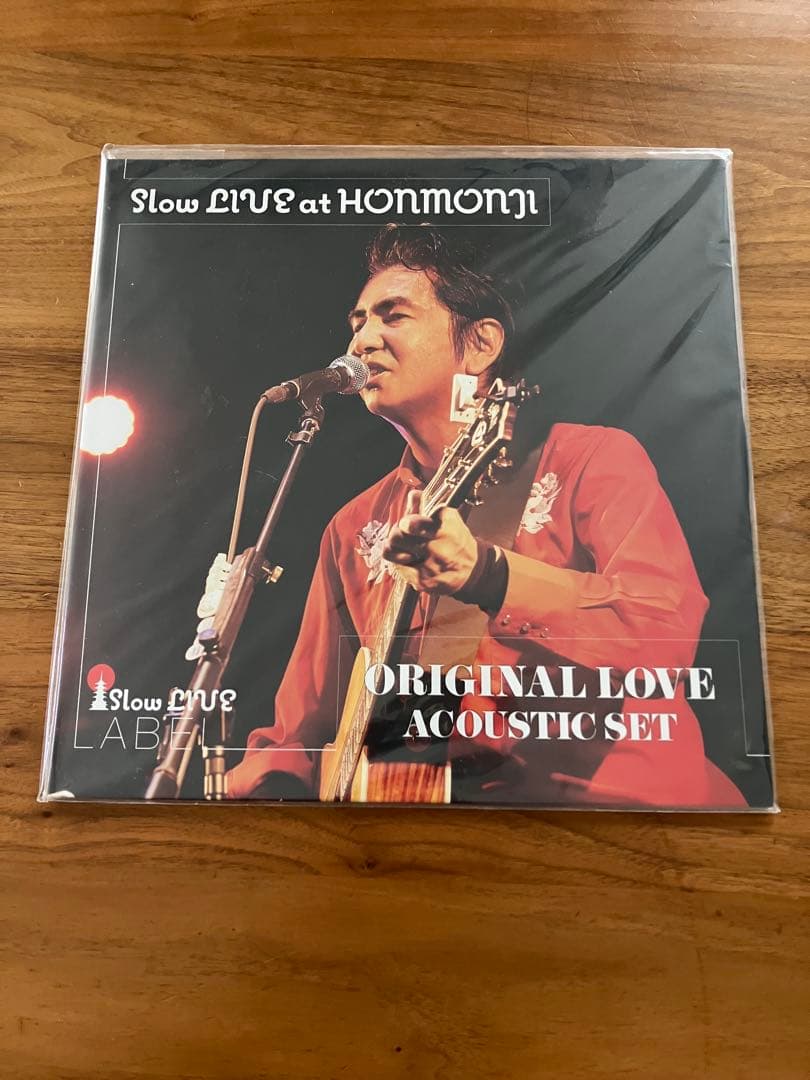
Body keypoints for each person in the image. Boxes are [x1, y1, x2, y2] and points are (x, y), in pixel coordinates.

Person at [225, 224, 746, 808]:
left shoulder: (588, 460)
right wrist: (274, 793)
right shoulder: (354, 527)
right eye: (358, 322)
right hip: (437, 829)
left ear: (479, 344)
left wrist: (490, 575)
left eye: (393, 316)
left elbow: (666, 629)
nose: (362, 341)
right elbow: (299, 729)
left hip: (616, 816)